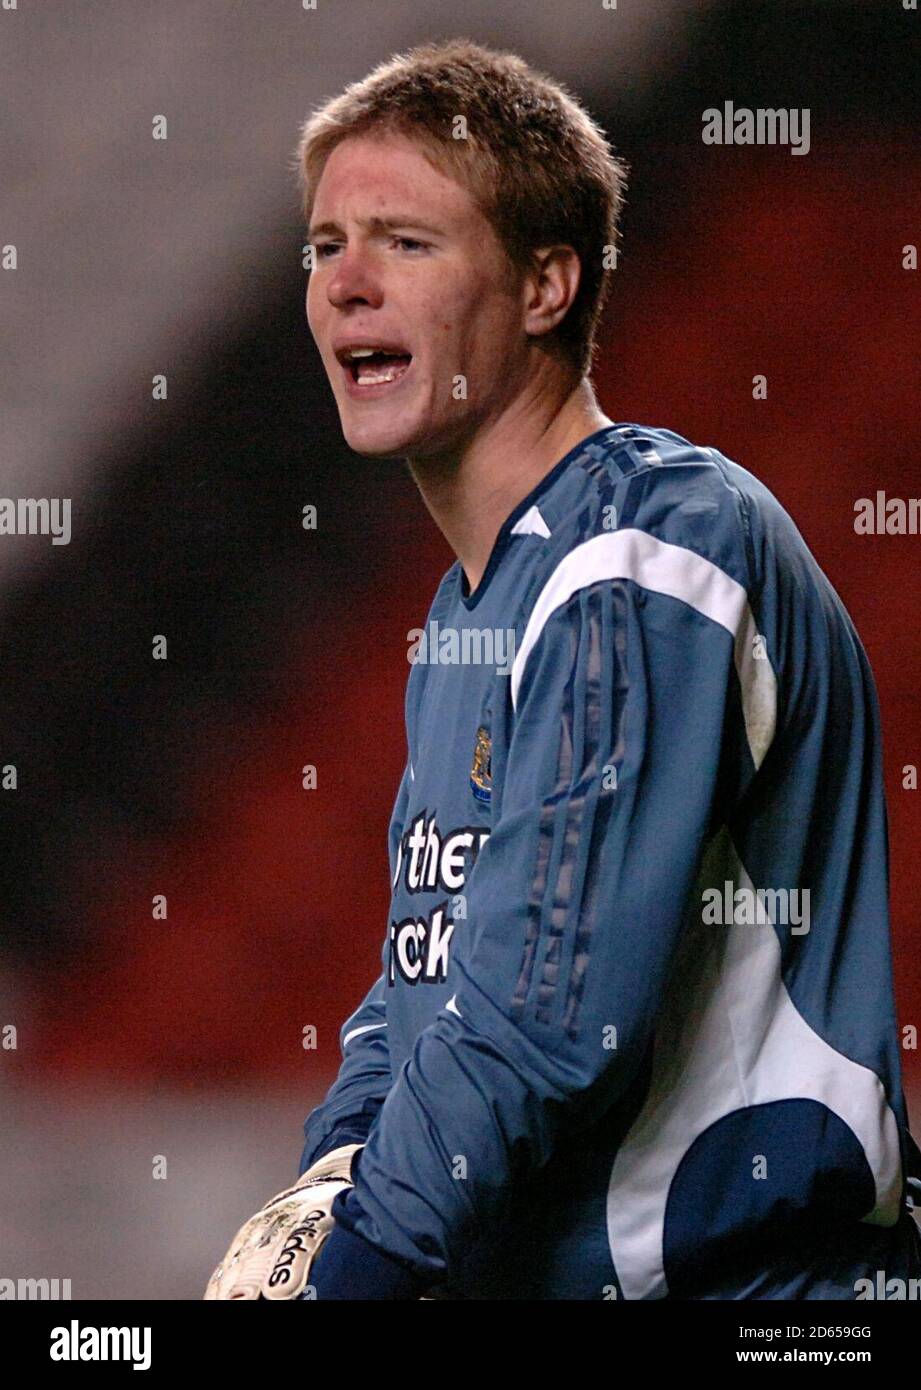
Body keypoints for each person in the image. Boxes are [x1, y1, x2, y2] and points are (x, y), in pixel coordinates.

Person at [205, 38, 921, 1301]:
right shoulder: (477, 609)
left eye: (406, 243)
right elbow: (427, 975)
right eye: (325, 245)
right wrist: (331, 1183)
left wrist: (357, 1266)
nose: (345, 286)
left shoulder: (651, 548)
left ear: (546, 286)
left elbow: (542, 1015)